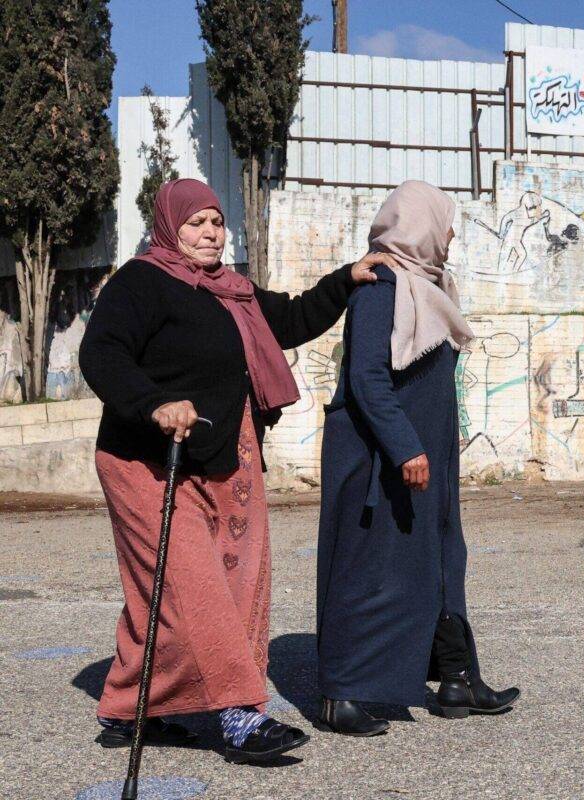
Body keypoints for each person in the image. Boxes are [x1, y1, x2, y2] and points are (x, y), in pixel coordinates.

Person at [79, 178, 388, 763]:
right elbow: (102, 354)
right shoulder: (141, 282)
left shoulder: (233, 291)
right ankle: (241, 714)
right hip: (147, 459)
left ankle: (130, 708)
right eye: (196, 223)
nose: (209, 233)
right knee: (191, 585)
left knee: (227, 587)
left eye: (216, 223)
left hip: (227, 456)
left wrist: (346, 279)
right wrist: (152, 403)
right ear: (170, 227)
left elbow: (292, 320)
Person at [315, 180, 519, 736]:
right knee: (366, 572)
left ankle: (457, 678)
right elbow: (367, 377)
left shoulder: (429, 288)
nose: (451, 235)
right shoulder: (380, 287)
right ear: (421, 225)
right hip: (381, 459)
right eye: (446, 223)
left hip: (428, 457)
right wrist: (405, 446)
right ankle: (343, 691)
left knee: (443, 560)